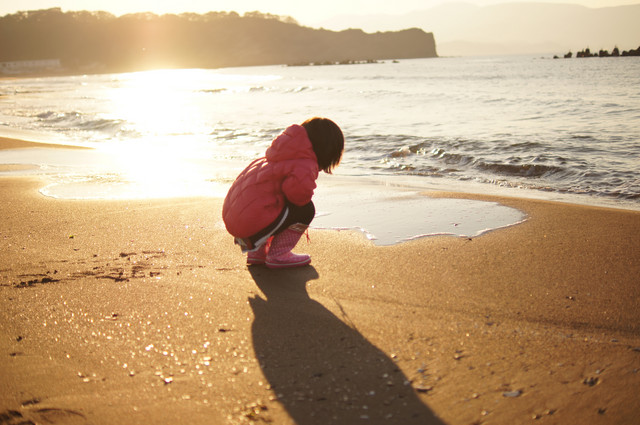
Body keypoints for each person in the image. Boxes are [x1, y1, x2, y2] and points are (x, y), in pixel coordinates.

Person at [222, 117, 344, 269]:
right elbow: (299, 197)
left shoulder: (276, 156)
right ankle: (278, 254)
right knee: (306, 210)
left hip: (236, 222)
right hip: (249, 224)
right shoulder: (304, 164)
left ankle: (257, 252)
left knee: (273, 202)